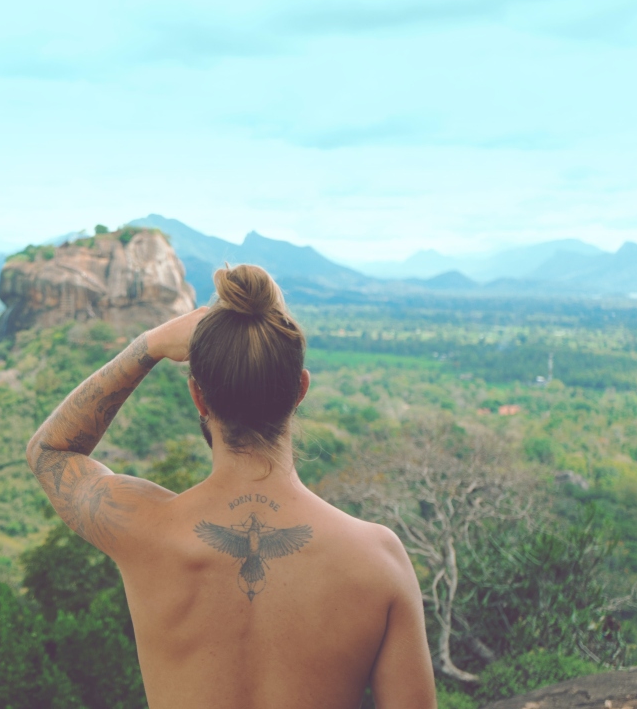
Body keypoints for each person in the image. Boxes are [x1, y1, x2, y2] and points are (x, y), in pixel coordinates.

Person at [26, 264, 437, 709]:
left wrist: (148, 346)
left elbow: (50, 452)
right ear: (299, 390)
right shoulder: (378, 560)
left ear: (198, 397)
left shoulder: (146, 530)